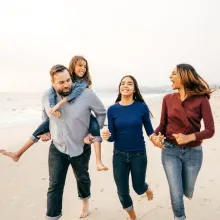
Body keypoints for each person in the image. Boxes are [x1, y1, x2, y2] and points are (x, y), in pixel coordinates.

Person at [0, 56, 108, 171]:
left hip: (81, 142)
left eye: (85, 66)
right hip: (57, 145)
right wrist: (49, 121)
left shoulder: (83, 87)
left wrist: (58, 105)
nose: (83, 68)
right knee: (41, 128)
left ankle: (98, 161)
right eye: (80, 65)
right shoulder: (49, 93)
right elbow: (46, 107)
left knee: (94, 127)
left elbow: (78, 98)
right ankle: (18, 153)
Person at [153, 64, 215, 220]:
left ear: (185, 76)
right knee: (176, 192)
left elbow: (210, 130)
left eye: (174, 73)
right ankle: (179, 217)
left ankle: (189, 190)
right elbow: (162, 124)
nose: (170, 76)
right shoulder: (167, 99)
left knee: (186, 190)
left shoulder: (201, 100)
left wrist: (190, 137)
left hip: (193, 152)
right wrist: (154, 136)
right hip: (170, 150)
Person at [101, 75, 160, 220]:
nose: (125, 85)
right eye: (122, 83)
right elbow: (113, 137)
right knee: (122, 192)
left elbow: (149, 131)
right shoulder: (112, 110)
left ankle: (145, 189)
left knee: (138, 188)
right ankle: (132, 216)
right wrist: (106, 136)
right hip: (119, 155)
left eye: (129, 83)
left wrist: (155, 139)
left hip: (138, 154)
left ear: (134, 89)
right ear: (119, 88)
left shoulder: (141, 107)